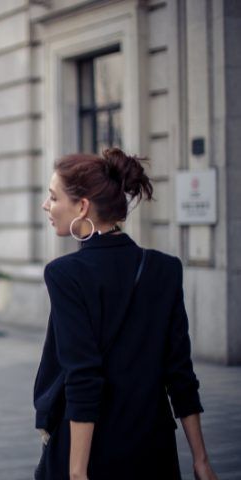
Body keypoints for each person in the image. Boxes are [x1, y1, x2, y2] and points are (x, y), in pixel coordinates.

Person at [33, 148, 217, 480]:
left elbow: (83, 377)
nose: (47, 206)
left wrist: (77, 473)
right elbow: (180, 374)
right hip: (154, 449)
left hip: (91, 452)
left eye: (53, 197)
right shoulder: (165, 269)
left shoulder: (65, 274)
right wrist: (201, 461)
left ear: (83, 206)